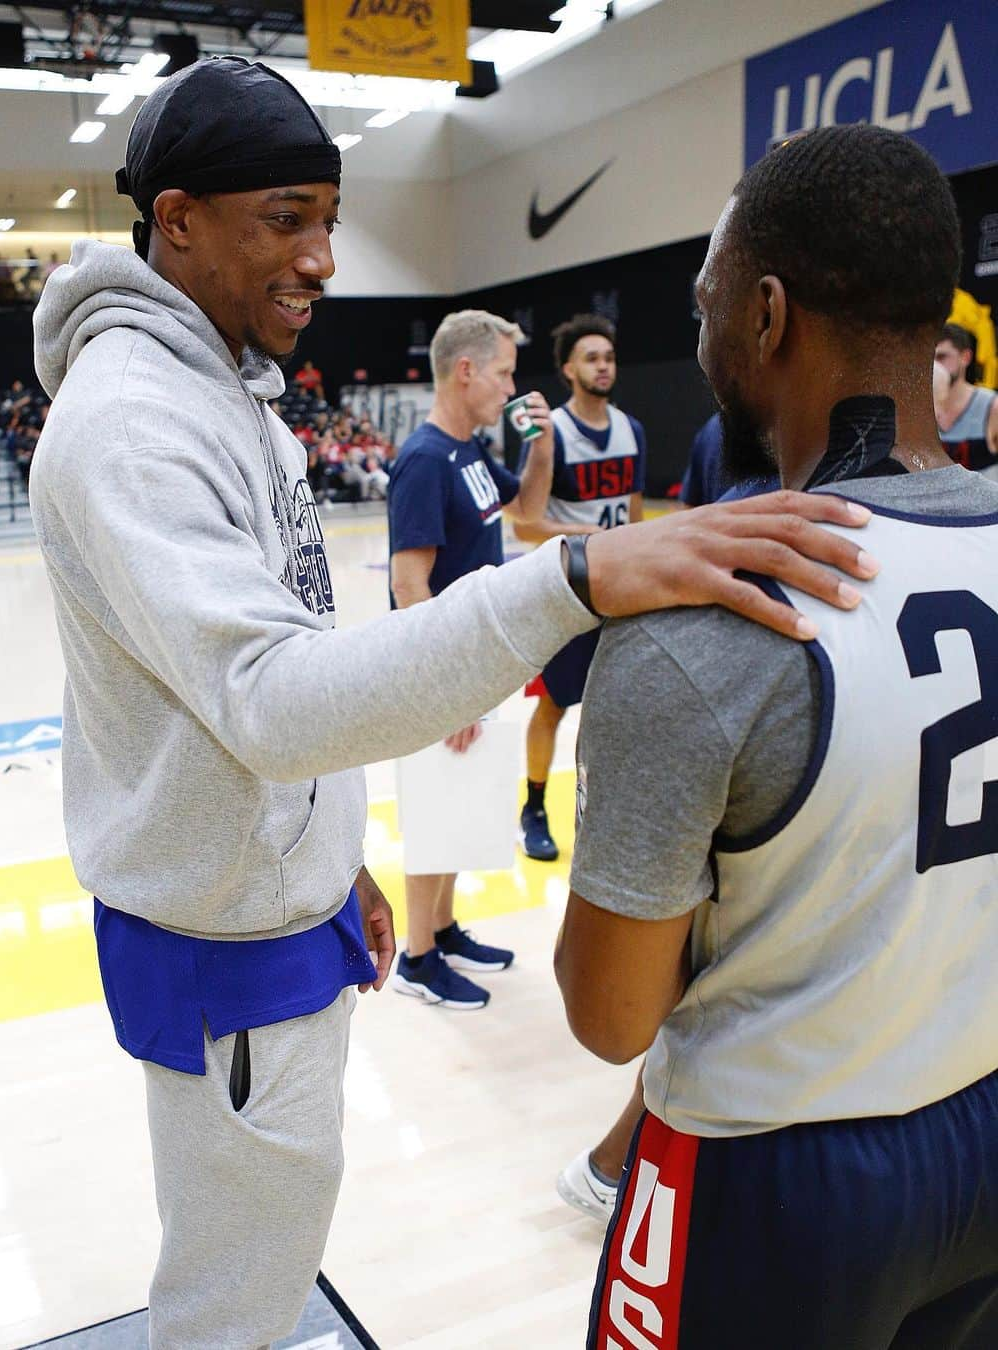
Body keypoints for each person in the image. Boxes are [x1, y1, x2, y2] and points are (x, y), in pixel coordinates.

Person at [28, 57, 879, 1350]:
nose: (322, 255)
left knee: (272, 1236)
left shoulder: (226, 396)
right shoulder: (133, 422)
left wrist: (328, 852)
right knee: (230, 1287)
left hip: (267, 897)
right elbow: (268, 697)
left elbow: (274, 666)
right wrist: (574, 577)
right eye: (288, 217)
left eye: (329, 215)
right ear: (178, 218)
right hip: (217, 938)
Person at [556, 124, 998, 1350]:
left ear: (764, 314)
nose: (698, 339)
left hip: (779, 1169)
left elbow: (610, 1018)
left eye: (704, 306)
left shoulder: (716, 615)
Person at [387, 308, 556, 1009]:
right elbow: (408, 582)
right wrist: (444, 692)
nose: (510, 388)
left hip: (473, 665)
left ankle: (445, 928)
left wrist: (539, 448)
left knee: (460, 808)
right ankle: (416, 957)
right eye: (505, 373)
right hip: (439, 674)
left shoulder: (470, 451)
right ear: (465, 371)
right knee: (434, 814)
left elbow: (528, 515)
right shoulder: (426, 459)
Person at [513, 313, 645, 862]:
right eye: (591, 357)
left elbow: (634, 517)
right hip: (566, 591)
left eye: (609, 357)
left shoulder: (631, 428)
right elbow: (524, 523)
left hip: (620, 590)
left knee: (617, 705)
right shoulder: (550, 434)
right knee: (553, 707)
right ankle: (534, 805)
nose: (603, 366)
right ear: (569, 369)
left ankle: (605, 807)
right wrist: (593, 534)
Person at [934, 322, 998, 475]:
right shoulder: (916, 408)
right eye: (931, 358)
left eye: (942, 357)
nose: (935, 365)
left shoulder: (992, 406)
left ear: (965, 357)